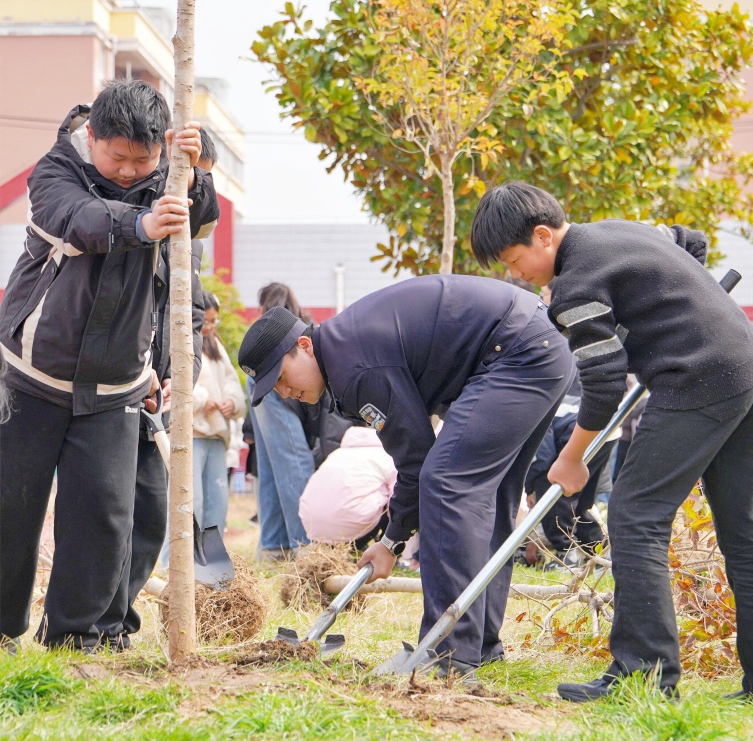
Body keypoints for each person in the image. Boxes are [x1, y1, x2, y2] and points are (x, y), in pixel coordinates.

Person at [470, 181, 753, 702]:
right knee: (746, 527)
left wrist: (571, 459)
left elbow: (601, 387)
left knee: (634, 514)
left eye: (515, 261)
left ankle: (642, 675)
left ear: (542, 237)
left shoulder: (576, 284)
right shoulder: (620, 231)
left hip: (701, 379)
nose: (516, 275)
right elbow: (690, 243)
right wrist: (675, 313)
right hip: (751, 365)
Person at [238, 274, 576, 675]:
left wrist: (392, 539)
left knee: (447, 483)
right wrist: (392, 540)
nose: (284, 391)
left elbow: (417, 462)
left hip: (517, 351)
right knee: (489, 493)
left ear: (304, 346)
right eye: (271, 387)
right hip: (536, 345)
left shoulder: (355, 367)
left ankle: (448, 653)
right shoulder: (345, 349)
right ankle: (478, 643)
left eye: (280, 376)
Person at [0, 79, 219, 652]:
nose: (128, 171)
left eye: (141, 160)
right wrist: (142, 224)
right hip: (30, 375)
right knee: (9, 509)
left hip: (118, 388)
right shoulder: (53, 173)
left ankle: (78, 641)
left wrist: (191, 173)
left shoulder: (166, 179)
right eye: (116, 157)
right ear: (91, 136)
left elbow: (188, 266)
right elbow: (83, 222)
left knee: (102, 516)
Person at [94, 130, 217, 648]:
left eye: (205, 174)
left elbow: (184, 313)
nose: (199, 187)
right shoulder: (130, 216)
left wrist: (176, 374)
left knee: (149, 511)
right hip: (115, 386)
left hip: (159, 392)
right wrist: (138, 368)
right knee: (110, 512)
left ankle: (120, 623)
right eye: (193, 173)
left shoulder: (185, 244)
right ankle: (93, 627)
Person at [248, 283, 317, 563]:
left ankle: (278, 545)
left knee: (276, 466)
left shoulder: (264, 342)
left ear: (262, 309)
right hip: (291, 393)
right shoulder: (305, 327)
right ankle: (304, 546)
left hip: (263, 384)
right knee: (290, 462)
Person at [523, 373, 617, 571]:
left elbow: (542, 458)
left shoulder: (528, 406)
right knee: (581, 504)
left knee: (554, 492)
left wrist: (531, 488)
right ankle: (598, 554)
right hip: (606, 429)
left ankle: (568, 557)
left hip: (579, 429)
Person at [188, 292, 245, 538]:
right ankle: (177, 564)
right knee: (192, 502)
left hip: (216, 435)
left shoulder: (215, 345)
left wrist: (232, 402)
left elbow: (231, 380)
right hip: (192, 434)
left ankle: (212, 564)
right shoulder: (181, 341)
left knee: (217, 503)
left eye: (214, 321)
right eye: (206, 321)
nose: (210, 327)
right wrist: (201, 399)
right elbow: (177, 382)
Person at [299, 426, 396, 546]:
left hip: (312, 528)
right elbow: (397, 501)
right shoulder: (389, 457)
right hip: (353, 533)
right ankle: (387, 547)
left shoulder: (337, 454)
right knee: (396, 495)